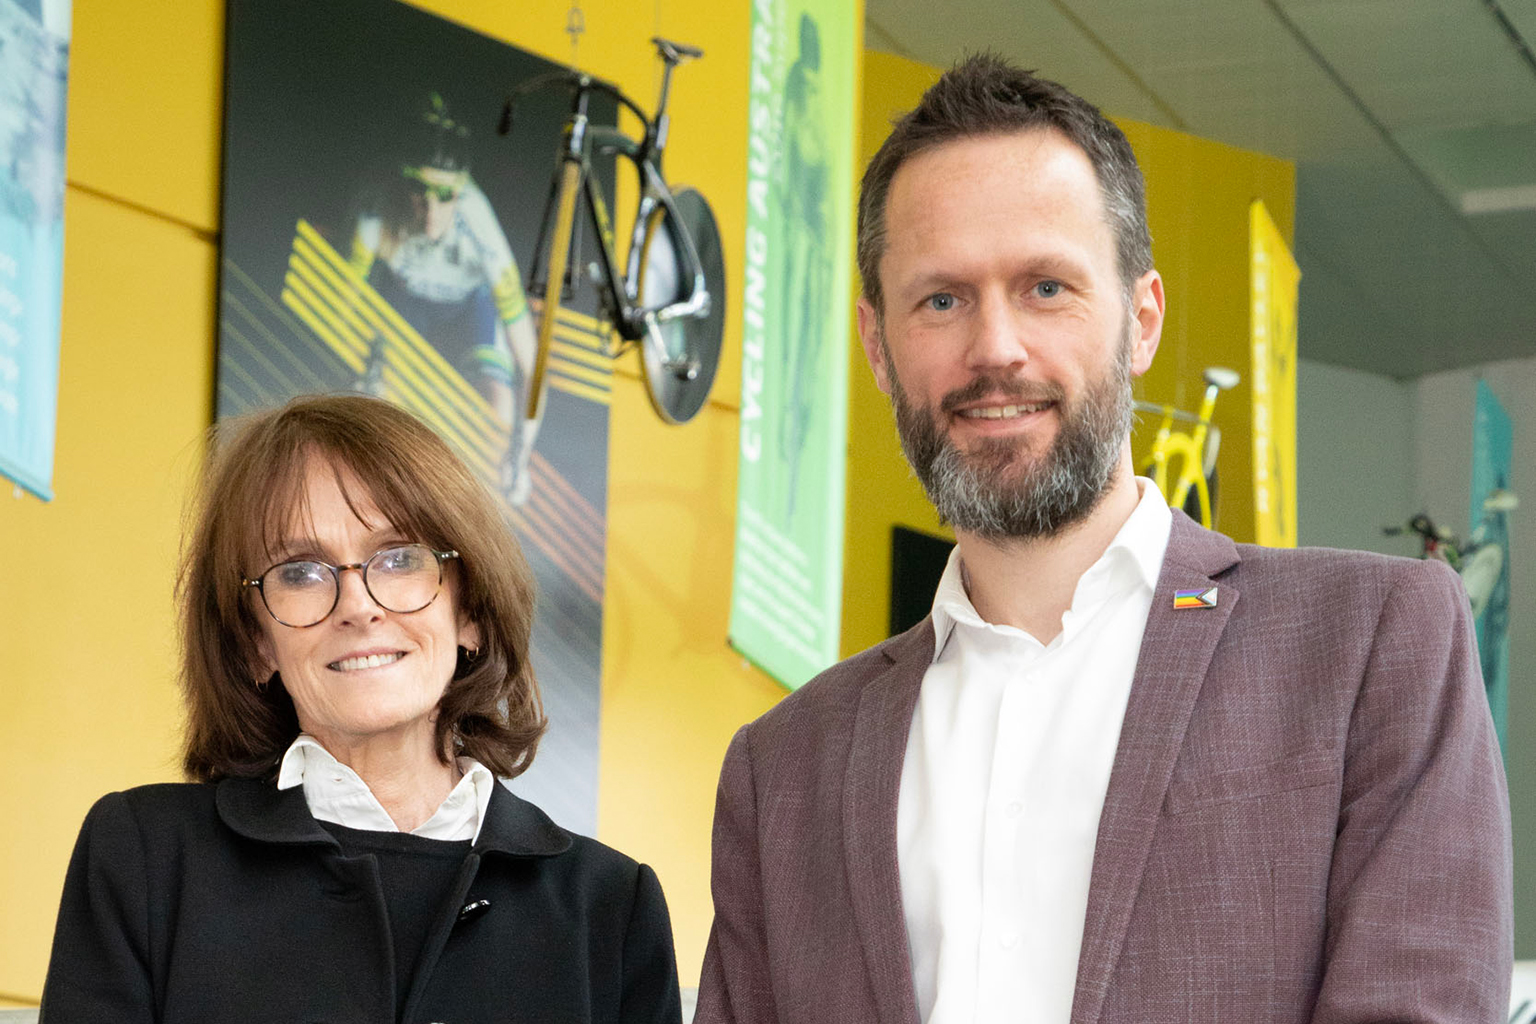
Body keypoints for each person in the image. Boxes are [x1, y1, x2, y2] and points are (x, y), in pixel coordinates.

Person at [696, 54, 1511, 1024]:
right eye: (941, 299)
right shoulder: (782, 769)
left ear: (1142, 320)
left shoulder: (1370, 643)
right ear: (878, 344)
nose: (995, 346)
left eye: (1046, 287)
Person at [40, 394, 681, 1023]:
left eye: (399, 558)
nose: (357, 605)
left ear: (472, 613)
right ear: (258, 642)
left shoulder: (612, 909)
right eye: (299, 571)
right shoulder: (144, 858)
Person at [349, 93, 542, 506]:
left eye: (445, 194)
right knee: (378, 405)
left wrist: (519, 456)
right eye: (418, 189)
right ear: (402, 182)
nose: (431, 209)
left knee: (498, 409)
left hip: (469, 308)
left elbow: (531, 362)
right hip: (404, 303)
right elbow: (344, 307)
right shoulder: (376, 207)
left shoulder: (479, 224)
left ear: (463, 190)